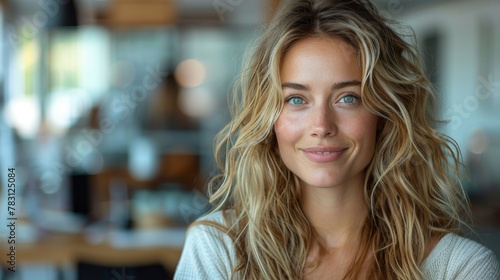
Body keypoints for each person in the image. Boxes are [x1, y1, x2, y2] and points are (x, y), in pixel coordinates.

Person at [174, 0, 500, 279]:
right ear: (269, 119)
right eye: (296, 100)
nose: (321, 126)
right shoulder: (218, 250)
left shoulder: (459, 268)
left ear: (384, 114)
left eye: (348, 98)